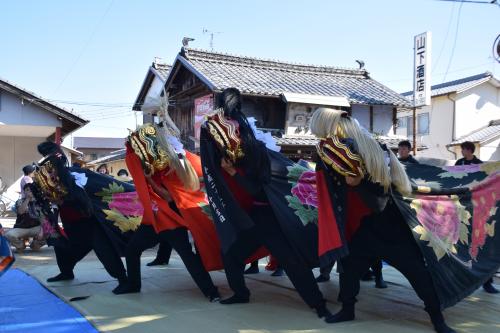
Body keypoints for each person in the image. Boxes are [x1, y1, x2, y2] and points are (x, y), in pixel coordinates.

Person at [310, 107, 455, 333]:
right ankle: (348, 309)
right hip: (364, 229)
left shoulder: (374, 152)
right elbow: (321, 165)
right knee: (348, 269)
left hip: (391, 228)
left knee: (418, 273)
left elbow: (379, 201)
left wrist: (359, 183)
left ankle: (438, 319)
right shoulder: (340, 151)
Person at [201, 88, 333, 320]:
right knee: (232, 254)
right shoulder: (249, 143)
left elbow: (256, 188)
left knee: (290, 261)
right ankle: (241, 293)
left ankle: (318, 304)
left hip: (271, 217)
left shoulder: (256, 153)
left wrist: (232, 172)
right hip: (257, 217)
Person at [119, 122, 221, 301]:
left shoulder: (172, 166)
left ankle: (211, 291)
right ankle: (134, 285)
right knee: (133, 250)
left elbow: (169, 197)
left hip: (172, 221)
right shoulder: (156, 165)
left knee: (187, 256)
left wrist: (150, 181)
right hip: (156, 219)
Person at [35, 142, 129, 293]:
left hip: (90, 222)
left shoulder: (76, 174)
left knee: (104, 250)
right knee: (63, 246)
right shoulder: (47, 178)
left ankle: (124, 280)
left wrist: (63, 200)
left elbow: (85, 196)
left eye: (49, 157)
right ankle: (66, 272)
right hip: (72, 224)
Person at [454, 141, 498, 294]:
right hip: (462, 207)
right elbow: (453, 179)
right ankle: (461, 280)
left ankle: (487, 283)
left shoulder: (480, 164)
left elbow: (486, 181)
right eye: (462, 149)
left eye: (464, 149)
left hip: (478, 207)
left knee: (482, 246)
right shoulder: (459, 163)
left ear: (470, 150)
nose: (462, 152)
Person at [5, 183, 45, 252]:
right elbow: (20, 211)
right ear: (24, 191)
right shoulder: (19, 201)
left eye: (31, 190)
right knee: (8, 235)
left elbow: (43, 219)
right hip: (21, 228)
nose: (29, 192)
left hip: (35, 227)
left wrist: (42, 231)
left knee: (51, 232)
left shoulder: (39, 202)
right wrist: (27, 199)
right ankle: (21, 245)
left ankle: (35, 245)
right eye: (27, 190)